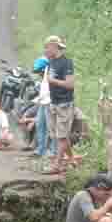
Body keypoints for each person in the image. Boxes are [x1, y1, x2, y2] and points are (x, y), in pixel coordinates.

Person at [44, 36, 78, 174]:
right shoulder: (51, 62)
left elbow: (70, 84)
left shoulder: (66, 63)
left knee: (62, 136)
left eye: (47, 47)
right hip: (54, 102)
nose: (45, 50)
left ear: (54, 46)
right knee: (58, 135)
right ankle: (72, 159)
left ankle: (56, 165)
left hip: (64, 103)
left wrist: (53, 81)